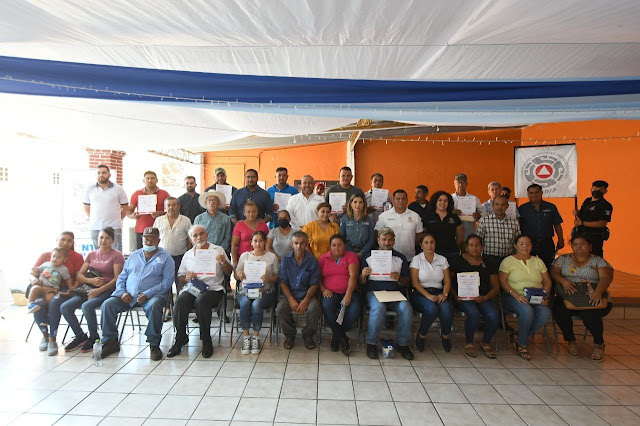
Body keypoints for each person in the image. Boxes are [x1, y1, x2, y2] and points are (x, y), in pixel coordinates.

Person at [99, 227, 175, 361]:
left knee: (155, 305)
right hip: (128, 296)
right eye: (146, 239)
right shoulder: (134, 255)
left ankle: (154, 344)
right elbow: (122, 277)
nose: (149, 242)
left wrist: (148, 293)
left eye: (152, 240)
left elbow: (167, 282)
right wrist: (122, 292)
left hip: (152, 296)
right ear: (142, 239)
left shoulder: (166, 258)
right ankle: (110, 341)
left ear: (158, 241)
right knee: (107, 305)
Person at [167, 225, 232, 358]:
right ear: (191, 239)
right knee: (180, 301)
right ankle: (180, 339)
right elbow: (180, 276)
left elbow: (229, 272)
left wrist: (224, 262)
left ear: (206, 235)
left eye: (201, 234)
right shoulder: (188, 255)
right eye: (195, 236)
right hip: (194, 288)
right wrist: (186, 277)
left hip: (213, 289)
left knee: (201, 301)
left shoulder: (217, 250)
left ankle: (206, 340)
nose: (199, 237)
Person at [60, 227, 125, 353]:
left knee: (87, 306)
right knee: (65, 307)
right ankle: (80, 336)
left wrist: (99, 290)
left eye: (107, 238)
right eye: (101, 237)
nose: (103, 241)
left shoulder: (117, 255)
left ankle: (94, 337)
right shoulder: (92, 254)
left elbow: (117, 279)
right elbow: (80, 276)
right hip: (89, 288)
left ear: (113, 240)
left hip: (108, 290)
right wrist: (91, 281)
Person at [550, 234, 613, 361]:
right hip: (569, 298)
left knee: (589, 314)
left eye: (582, 243)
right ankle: (571, 341)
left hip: (592, 296)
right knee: (559, 310)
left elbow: (606, 277)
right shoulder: (563, 259)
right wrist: (563, 281)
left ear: (590, 246)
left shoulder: (598, 261)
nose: (578, 247)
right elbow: (553, 271)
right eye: (575, 244)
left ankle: (599, 344)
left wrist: (598, 292)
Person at [361, 228, 414, 360]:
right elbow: (361, 283)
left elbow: (407, 281)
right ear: (378, 240)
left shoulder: (400, 258)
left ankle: (402, 344)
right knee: (378, 308)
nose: (387, 242)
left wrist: (399, 279)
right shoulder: (368, 257)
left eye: (390, 239)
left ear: (394, 241)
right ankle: (371, 343)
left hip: (395, 294)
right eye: (384, 239)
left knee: (406, 308)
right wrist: (363, 275)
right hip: (375, 293)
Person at [498, 234, 552, 360]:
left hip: (536, 296)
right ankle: (522, 344)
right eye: (521, 244)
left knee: (545, 313)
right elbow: (502, 281)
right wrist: (516, 295)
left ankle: (518, 336)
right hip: (513, 296)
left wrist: (545, 295)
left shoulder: (538, 261)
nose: (525, 246)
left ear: (532, 246)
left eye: (528, 244)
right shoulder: (508, 261)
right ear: (515, 246)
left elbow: (547, 281)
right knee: (527, 311)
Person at [31, 232, 84, 355]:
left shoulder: (77, 257)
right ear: (57, 240)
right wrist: (34, 280)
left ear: (73, 243)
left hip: (63, 288)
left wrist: (72, 289)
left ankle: (52, 338)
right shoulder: (46, 255)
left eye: (69, 240)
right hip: (42, 286)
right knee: (38, 303)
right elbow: (33, 272)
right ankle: (45, 335)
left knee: (54, 302)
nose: (65, 243)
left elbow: (79, 277)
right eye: (63, 239)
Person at [450, 235, 500, 358]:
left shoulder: (488, 263)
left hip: (483, 297)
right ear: (466, 247)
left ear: (482, 247)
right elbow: (448, 282)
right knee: (473, 313)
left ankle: (486, 342)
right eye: (471, 245)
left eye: (477, 245)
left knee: (494, 315)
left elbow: (496, 287)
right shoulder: (457, 261)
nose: (474, 248)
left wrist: (486, 297)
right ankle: (469, 342)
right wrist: (455, 295)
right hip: (463, 299)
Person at [235, 231, 279, 355]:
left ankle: (255, 337)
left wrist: (269, 279)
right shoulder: (245, 256)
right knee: (245, 304)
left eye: (261, 241)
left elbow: (277, 276)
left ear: (265, 242)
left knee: (256, 304)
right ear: (251, 242)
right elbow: (236, 274)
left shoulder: (272, 257)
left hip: (265, 291)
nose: (258, 244)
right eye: (255, 241)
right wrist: (239, 274)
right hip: (246, 290)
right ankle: (246, 337)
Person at [276, 231, 321, 350]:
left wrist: (306, 300)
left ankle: (308, 335)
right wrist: (291, 299)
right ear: (292, 244)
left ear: (306, 244)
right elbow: (282, 282)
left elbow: (314, 284)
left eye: (302, 243)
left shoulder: (312, 261)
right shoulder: (285, 259)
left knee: (315, 308)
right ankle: (289, 335)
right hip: (289, 294)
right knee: (280, 308)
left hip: (307, 294)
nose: (298, 246)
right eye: (296, 243)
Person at [410, 233, 453, 353]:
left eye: (432, 242)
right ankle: (422, 334)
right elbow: (414, 282)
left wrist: (445, 294)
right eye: (426, 243)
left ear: (435, 244)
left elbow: (447, 281)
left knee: (446, 309)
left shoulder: (442, 259)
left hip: (439, 292)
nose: (429, 245)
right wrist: (428, 296)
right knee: (431, 309)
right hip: (421, 293)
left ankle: (445, 336)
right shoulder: (416, 259)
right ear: (421, 245)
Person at [318, 234, 361, 355]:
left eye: (339, 245)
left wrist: (348, 294)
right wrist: (323, 289)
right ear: (330, 246)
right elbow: (318, 277)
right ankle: (342, 337)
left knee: (355, 310)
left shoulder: (351, 256)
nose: (336, 248)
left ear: (345, 246)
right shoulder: (323, 258)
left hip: (350, 291)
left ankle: (336, 335)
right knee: (327, 306)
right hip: (330, 292)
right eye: (333, 245)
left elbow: (353, 276)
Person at [83, 164, 128, 251]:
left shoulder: (118, 189)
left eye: (104, 173)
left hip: (114, 227)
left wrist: (119, 219)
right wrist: (94, 218)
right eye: (98, 173)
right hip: (95, 227)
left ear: (109, 175)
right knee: (98, 254)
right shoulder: (89, 189)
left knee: (116, 253)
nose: (101, 175)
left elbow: (125, 207)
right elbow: (86, 207)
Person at [518, 184, 564, 267]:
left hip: (547, 242)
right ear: (528, 194)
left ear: (541, 192)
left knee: (548, 266)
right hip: (529, 243)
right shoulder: (522, 209)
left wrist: (560, 239)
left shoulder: (551, 207)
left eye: (537, 192)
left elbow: (557, 224)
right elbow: (518, 226)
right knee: (528, 266)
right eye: (531, 193)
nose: (534, 195)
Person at [153, 197, 192, 290]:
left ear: (178, 206)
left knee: (180, 282)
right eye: (168, 205)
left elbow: (190, 238)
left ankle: (180, 298)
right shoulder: (159, 220)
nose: (171, 207)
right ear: (165, 207)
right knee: (165, 283)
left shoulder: (186, 220)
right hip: (163, 257)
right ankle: (168, 300)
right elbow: (154, 237)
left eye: (174, 205)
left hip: (180, 257)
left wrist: (188, 253)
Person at [375, 189, 424, 261]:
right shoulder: (383, 216)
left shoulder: (415, 216)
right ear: (393, 200)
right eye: (398, 199)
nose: (401, 201)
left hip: (410, 258)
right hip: (388, 258)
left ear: (407, 200)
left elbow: (419, 236)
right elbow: (377, 234)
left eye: (403, 199)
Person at [127, 171, 170, 249]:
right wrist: (133, 216)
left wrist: (160, 214)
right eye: (147, 178)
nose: (150, 180)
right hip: (141, 230)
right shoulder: (136, 194)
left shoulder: (164, 194)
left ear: (157, 180)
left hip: (160, 229)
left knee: (160, 252)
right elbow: (129, 211)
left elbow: (171, 211)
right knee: (141, 253)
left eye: (152, 178)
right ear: (144, 180)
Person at [476, 195, 521, 270]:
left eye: (503, 204)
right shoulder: (484, 221)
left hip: (508, 260)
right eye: (497, 204)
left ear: (507, 206)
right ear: (492, 206)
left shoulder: (514, 222)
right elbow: (478, 242)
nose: (500, 207)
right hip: (489, 260)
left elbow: (518, 243)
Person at [573, 180, 613, 257]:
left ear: (605, 191)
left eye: (600, 190)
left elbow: (601, 223)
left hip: (595, 237)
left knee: (594, 259)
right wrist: (577, 214)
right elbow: (581, 216)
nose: (596, 191)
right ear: (591, 189)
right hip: (581, 236)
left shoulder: (606, 205)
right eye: (595, 189)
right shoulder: (587, 201)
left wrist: (582, 223)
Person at [424, 191, 464, 264]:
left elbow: (460, 238)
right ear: (435, 202)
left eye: (445, 201)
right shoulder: (427, 217)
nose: (443, 203)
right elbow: (423, 236)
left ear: (449, 203)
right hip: (433, 253)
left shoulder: (455, 218)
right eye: (440, 200)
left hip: (451, 253)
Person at [28, 248, 71, 313]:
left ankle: (49, 313)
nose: (55, 259)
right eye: (53, 256)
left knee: (50, 300)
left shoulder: (64, 269)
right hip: (41, 285)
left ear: (64, 259)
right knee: (34, 288)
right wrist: (35, 270)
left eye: (58, 257)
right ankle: (31, 305)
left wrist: (70, 288)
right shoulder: (46, 264)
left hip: (51, 289)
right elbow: (37, 271)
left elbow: (68, 279)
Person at [231, 200, 270, 267]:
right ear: (244, 213)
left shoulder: (263, 225)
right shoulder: (239, 225)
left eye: (254, 212)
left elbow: (267, 244)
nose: (251, 214)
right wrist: (234, 262)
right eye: (248, 212)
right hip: (243, 260)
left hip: (260, 260)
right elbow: (234, 245)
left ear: (257, 212)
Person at [339, 194, 375, 260]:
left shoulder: (369, 219)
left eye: (360, 202)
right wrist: (352, 253)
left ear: (364, 204)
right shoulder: (345, 219)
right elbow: (342, 238)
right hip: (348, 251)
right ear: (351, 204)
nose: (358, 205)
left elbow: (371, 240)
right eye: (355, 202)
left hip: (365, 253)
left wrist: (362, 253)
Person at [451, 173, 484, 238]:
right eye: (458, 182)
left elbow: (485, 213)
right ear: (454, 183)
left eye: (463, 182)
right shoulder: (449, 198)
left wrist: (479, 215)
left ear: (466, 184)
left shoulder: (474, 199)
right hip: (452, 235)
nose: (460, 185)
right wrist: (452, 213)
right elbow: (443, 213)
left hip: (469, 235)